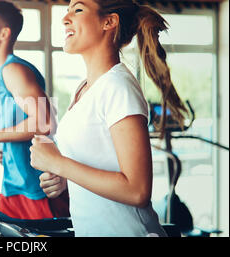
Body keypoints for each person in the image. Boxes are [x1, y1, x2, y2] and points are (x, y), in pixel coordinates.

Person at [29, 0, 188, 236]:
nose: (65, 18)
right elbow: (98, 162)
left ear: (109, 22)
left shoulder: (118, 86)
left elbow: (137, 190)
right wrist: (64, 178)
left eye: (78, 9)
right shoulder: (83, 88)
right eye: (67, 10)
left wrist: (59, 164)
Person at [0, 0, 69, 220]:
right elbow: (23, 127)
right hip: (14, 187)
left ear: (4, 34)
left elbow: (44, 121)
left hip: (35, 188)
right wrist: (3, 144)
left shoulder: (13, 70)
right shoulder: (2, 75)